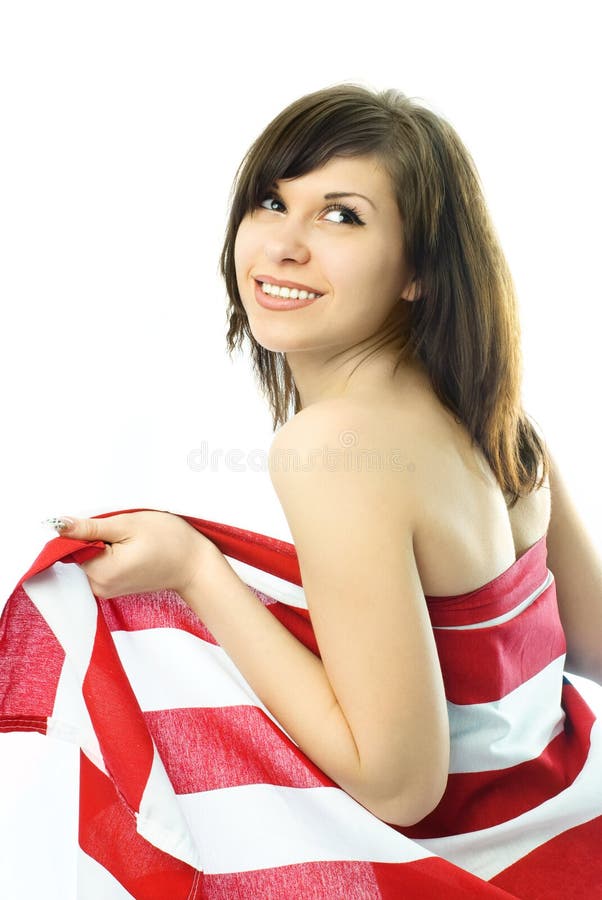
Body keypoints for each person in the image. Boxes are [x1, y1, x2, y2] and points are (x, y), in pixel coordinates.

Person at [26, 83, 602, 896]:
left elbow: (400, 785)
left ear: (419, 272)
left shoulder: (333, 446)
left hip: (483, 873)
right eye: (271, 201)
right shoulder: (496, 416)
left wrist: (197, 571)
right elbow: (590, 642)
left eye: (342, 216)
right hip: (574, 828)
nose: (283, 246)